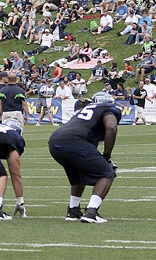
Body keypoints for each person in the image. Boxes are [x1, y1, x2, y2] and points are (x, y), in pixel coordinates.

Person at [48, 92, 121, 223]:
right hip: (75, 141)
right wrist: (107, 156)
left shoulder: (85, 109)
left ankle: (73, 210)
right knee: (107, 172)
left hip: (55, 141)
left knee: (78, 173)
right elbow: (111, 127)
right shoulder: (109, 108)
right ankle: (91, 212)